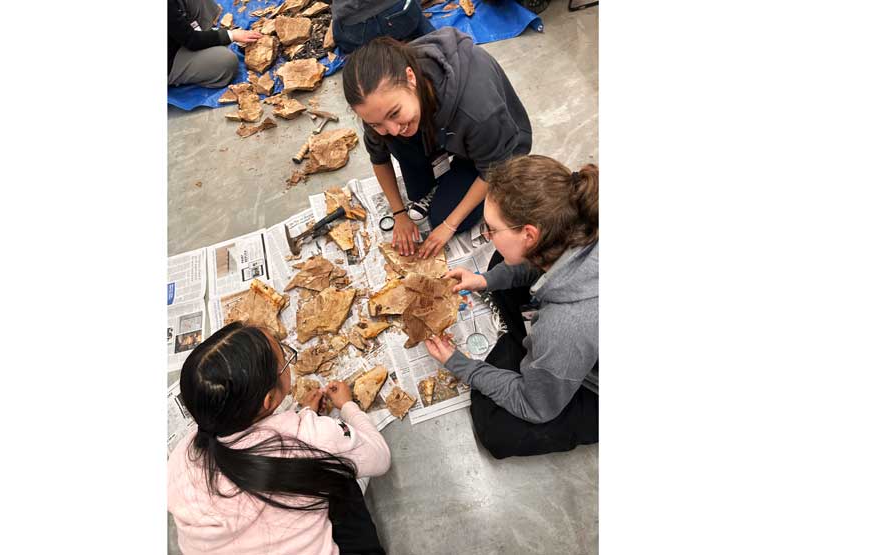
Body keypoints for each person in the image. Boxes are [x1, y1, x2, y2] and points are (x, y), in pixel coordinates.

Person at [423, 155, 599, 459]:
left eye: (492, 229)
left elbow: (536, 407)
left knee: (496, 428)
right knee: (500, 266)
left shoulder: (565, 327)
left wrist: (460, 364)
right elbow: (530, 261)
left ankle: (537, 361)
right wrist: (483, 281)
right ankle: (536, 359)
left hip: (587, 378)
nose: (487, 235)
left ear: (529, 234)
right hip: (572, 336)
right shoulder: (581, 219)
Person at [167, 322, 391, 554]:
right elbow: (380, 456)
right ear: (269, 400)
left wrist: (305, 414)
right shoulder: (308, 437)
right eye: (284, 360)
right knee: (340, 474)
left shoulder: (180, 457)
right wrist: (347, 406)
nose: (286, 361)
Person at [342, 28, 532, 260]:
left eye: (394, 113)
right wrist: (399, 213)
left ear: (410, 78)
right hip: (444, 134)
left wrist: (448, 226)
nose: (392, 130)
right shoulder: (377, 106)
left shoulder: (477, 110)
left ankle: (456, 173)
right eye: (375, 123)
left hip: (500, 151)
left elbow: (493, 169)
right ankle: (445, 171)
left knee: (443, 216)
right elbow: (378, 157)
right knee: (417, 192)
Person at [168, 0, 262, 87]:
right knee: (226, 61)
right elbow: (192, 40)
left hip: (179, 34)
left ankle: (206, 36)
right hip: (172, 56)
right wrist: (231, 35)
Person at [331, 0, 436, 54]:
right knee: (415, 17)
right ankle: (435, 42)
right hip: (402, 13)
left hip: (360, 31)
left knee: (341, 36)